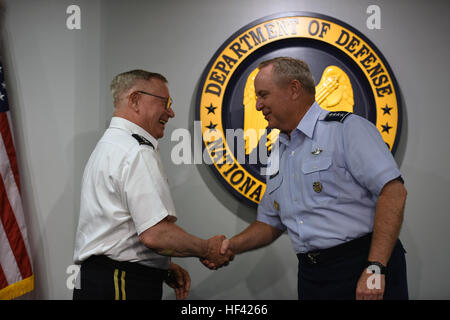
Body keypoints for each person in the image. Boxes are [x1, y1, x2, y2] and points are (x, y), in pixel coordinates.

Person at [204, 57, 408, 300]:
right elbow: (270, 223)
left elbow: (393, 192)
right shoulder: (278, 151)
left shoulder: (347, 129)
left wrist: (376, 267)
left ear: (293, 90)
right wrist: (230, 246)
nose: (257, 105)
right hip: (312, 277)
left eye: (263, 95)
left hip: (362, 267)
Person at [73, 69, 233, 300]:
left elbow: (118, 228)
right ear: (135, 100)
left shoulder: (110, 146)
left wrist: (160, 266)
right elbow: (155, 234)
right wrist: (207, 249)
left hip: (103, 280)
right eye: (165, 102)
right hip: (122, 284)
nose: (171, 112)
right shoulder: (136, 152)